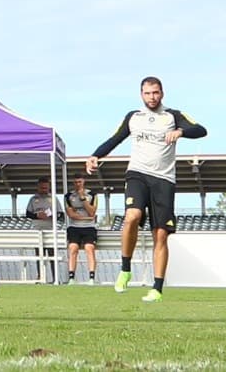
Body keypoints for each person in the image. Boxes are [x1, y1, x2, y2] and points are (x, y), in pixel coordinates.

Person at [86, 76, 207, 302]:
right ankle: (125, 269)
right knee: (132, 216)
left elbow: (201, 130)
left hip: (164, 180)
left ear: (162, 93)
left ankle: (157, 288)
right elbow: (114, 139)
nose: (152, 97)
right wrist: (95, 155)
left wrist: (180, 132)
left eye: (156, 92)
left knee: (160, 235)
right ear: (141, 94)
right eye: (147, 93)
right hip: (137, 174)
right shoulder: (134, 117)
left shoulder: (173, 115)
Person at [64, 174, 100, 284]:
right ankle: (71, 278)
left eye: (79, 182)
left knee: (89, 248)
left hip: (89, 227)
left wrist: (83, 198)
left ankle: (92, 278)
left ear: (83, 182)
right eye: (75, 182)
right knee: (73, 248)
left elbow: (92, 211)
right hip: (74, 227)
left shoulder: (92, 195)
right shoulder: (68, 196)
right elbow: (71, 214)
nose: (77, 184)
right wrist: (87, 217)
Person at [24, 177, 59, 284]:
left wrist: (50, 214)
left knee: (53, 255)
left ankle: (55, 278)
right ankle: (40, 278)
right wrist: (37, 215)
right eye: (42, 188)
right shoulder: (33, 199)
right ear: (38, 187)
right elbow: (28, 214)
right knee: (39, 255)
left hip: (50, 230)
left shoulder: (53, 198)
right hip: (37, 230)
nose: (44, 190)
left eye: (46, 188)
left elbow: (60, 214)